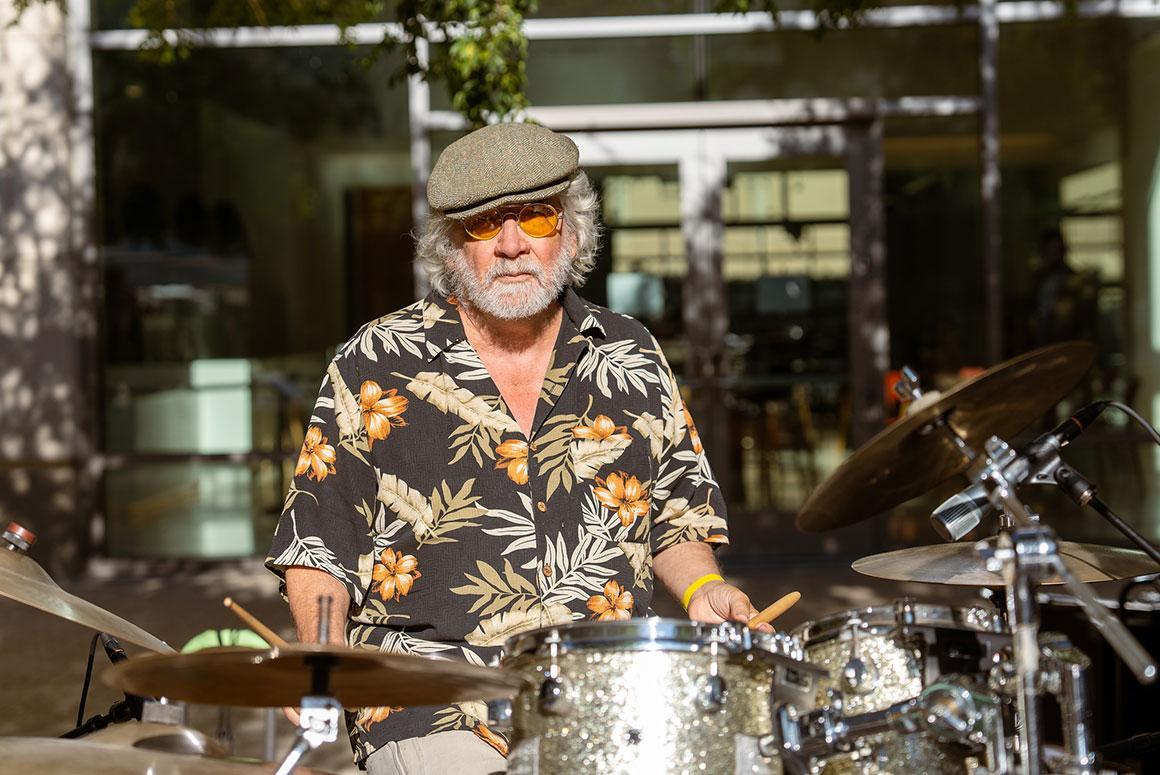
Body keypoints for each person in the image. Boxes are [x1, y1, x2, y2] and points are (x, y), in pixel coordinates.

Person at [265, 122, 767, 774]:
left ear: (572, 230)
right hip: (432, 696)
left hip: (606, 692)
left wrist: (704, 586)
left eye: (535, 217)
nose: (510, 245)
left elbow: (674, 515)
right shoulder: (376, 363)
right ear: (451, 246)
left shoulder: (631, 355)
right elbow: (318, 541)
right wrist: (321, 654)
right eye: (483, 225)